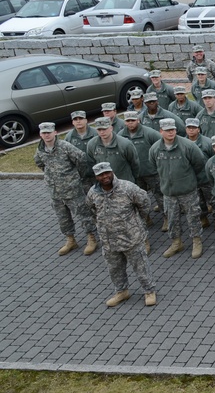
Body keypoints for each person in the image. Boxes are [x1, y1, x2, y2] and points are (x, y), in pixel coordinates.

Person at [86, 162, 157, 308]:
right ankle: (121, 291)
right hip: (109, 241)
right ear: (96, 177)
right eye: (100, 175)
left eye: (106, 173)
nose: (104, 177)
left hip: (131, 237)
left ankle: (149, 290)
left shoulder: (128, 188)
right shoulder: (93, 192)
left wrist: (138, 222)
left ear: (111, 172)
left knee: (140, 266)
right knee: (114, 268)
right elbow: (92, 210)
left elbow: (144, 204)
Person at [35, 122, 98, 256]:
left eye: (49, 132)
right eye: (44, 133)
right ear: (40, 134)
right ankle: (70, 240)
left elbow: (81, 159)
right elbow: (39, 163)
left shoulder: (65, 146)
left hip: (72, 190)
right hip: (55, 192)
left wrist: (75, 176)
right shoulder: (40, 149)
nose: (46, 135)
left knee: (83, 215)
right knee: (63, 218)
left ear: (55, 133)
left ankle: (91, 238)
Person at [149, 118, 207, 258]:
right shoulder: (155, 149)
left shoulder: (187, 146)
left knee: (193, 217)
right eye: (167, 130)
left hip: (187, 191)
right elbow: (154, 165)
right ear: (161, 131)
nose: (171, 133)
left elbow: (199, 163)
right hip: (169, 192)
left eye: (173, 130)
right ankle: (176, 243)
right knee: (172, 219)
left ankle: (196, 241)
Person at [119, 111, 163, 218]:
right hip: (136, 174)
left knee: (159, 195)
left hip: (152, 172)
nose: (130, 123)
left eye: (133, 120)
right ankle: (146, 218)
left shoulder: (149, 133)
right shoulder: (120, 136)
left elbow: (161, 145)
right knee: (138, 198)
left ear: (138, 120)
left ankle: (166, 216)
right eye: (128, 121)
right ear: (125, 122)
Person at [88, 117, 139, 183]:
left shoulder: (125, 144)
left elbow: (134, 163)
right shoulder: (92, 144)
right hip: (105, 184)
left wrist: (133, 179)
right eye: (99, 130)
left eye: (104, 129)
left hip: (124, 182)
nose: (102, 132)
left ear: (111, 128)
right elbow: (91, 163)